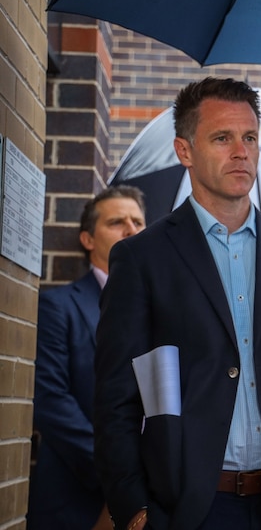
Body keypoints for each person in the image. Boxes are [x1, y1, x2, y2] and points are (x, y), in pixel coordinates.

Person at [93, 77, 261, 530]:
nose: (242, 152)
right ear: (185, 151)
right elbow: (115, 399)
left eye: (250, 137)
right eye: (222, 138)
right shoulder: (142, 257)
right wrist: (133, 509)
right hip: (190, 508)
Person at [28, 186, 146, 530]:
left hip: (156, 499)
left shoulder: (163, 311)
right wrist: (118, 471)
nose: (131, 230)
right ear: (87, 239)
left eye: (138, 221)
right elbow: (49, 400)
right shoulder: (58, 307)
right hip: (78, 496)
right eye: (116, 222)